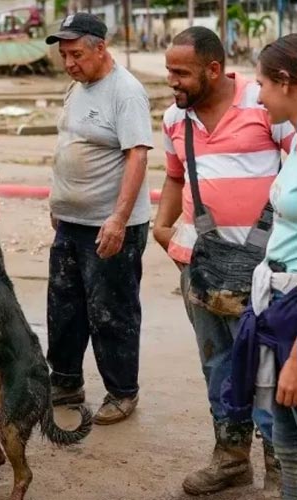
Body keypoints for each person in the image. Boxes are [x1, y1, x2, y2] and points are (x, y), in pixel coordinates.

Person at [153, 27, 292, 497]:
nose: (172, 81)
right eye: (169, 70)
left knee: (267, 367)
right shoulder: (176, 117)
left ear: (213, 70)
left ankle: (281, 463)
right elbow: (174, 178)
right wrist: (161, 226)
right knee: (218, 364)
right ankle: (231, 458)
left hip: (263, 271)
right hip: (204, 264)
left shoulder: (265, 103)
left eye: (181, 72)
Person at [44, 13, 153, 425]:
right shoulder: (77, 86)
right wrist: (60, 204)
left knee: (112, 310)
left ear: (100, 47)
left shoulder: (125, 92)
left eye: (76, 54)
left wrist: (118, 220)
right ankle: (66, 381)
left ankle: (123, 392)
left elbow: (137, 156)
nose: (69, 63)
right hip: (71, 222)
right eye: (64, 55)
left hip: (109, 225)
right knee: (65, 306)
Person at [225, 35, 297, 500]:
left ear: (287, 83)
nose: (257, 93)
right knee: (286, 434)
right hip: (280, 300)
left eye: (264, 83)